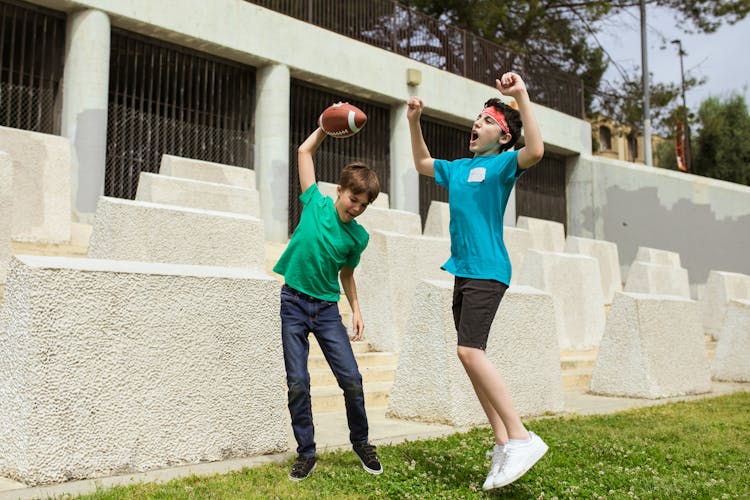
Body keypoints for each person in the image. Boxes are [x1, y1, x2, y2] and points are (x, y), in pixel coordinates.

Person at [406, 71, 547, 491]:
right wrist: (414, 122)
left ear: (503, 137)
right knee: (470, 357)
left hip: (488, 270)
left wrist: (520, 95)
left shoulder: (503, 164)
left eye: (487, 121)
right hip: (464, 272)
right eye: (478, 118)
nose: (477, 123)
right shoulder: (459, 169)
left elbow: (536, 150)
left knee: (469, 351)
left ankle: (522, 436)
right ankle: (503, 442)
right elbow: (420, 164)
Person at [273, 125, 383, 482]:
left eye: (364, 205)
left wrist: (357, 309)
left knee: (351, 378)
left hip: (326, 311)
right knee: (298, 382)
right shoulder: (315, 203)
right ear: (339, 190)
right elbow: (304, 154)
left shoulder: (358, 237)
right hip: (293, 302)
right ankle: (306, 453)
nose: (357, 208)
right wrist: (324, 128)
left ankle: (362, 442)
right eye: (354, 199)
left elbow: (347, 275)